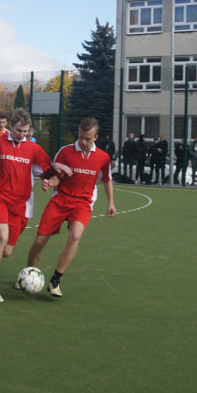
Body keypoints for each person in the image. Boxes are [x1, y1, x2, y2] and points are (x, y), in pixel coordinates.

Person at [0, 108, 67, 303]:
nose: (22, 135)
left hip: (21, 203)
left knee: (6, 250)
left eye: (26, 131)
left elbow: (47, 171)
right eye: (18, 130)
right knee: (2, 235)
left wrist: (52, 177)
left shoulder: (34, 149)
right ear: (11, 126)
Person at [26, 117, 116, 298]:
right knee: (39, 242)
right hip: (60, 201)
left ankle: (55, 280)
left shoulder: (103, 158)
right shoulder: (66, 152)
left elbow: (106, 179)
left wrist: (111, 203)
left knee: (75, 236)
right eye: (80, 137)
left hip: (82, 203)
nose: (83, 142)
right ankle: (28, 273)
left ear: (96, 137)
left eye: (87, 139)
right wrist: (50, 183)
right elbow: (58, 176)